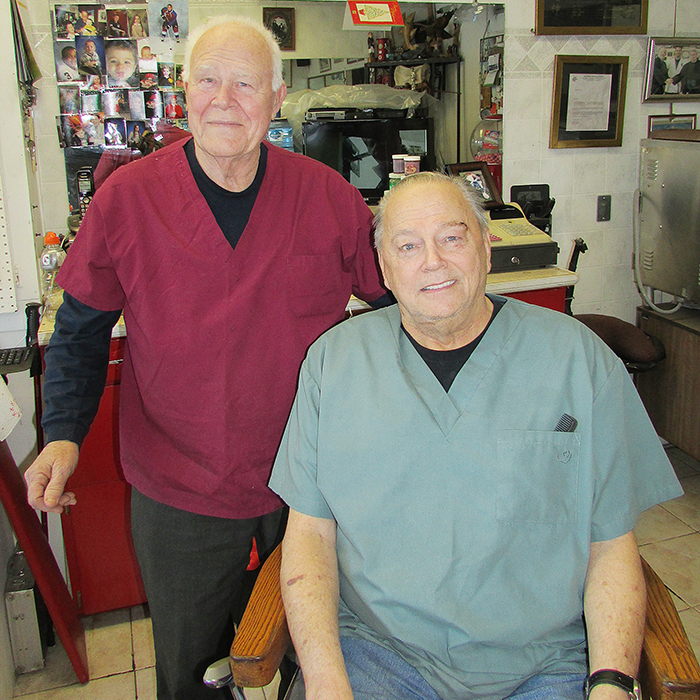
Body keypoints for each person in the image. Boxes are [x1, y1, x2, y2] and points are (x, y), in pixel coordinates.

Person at [24, 16, 389, 700]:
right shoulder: (128, 201)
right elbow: (80, 327)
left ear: (277, 98)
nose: (226, 99)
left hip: (308, 484)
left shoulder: (329, 198)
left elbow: (398, 308)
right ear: (184, 90)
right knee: (192, 673)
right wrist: (64, 435)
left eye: (246, 83)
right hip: (180, 487)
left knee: (309, 662)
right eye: (210, 80)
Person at [269, 172, 683, 700]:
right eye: (408, 246)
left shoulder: (578, 361)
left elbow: (612, 545)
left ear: (487, 248)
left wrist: (610, 683)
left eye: (452, 237)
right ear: (385, 270)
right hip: (379, 654)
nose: (433, 262)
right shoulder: (334, 362)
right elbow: (308, 537)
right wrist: (328, 684)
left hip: (543, 663)